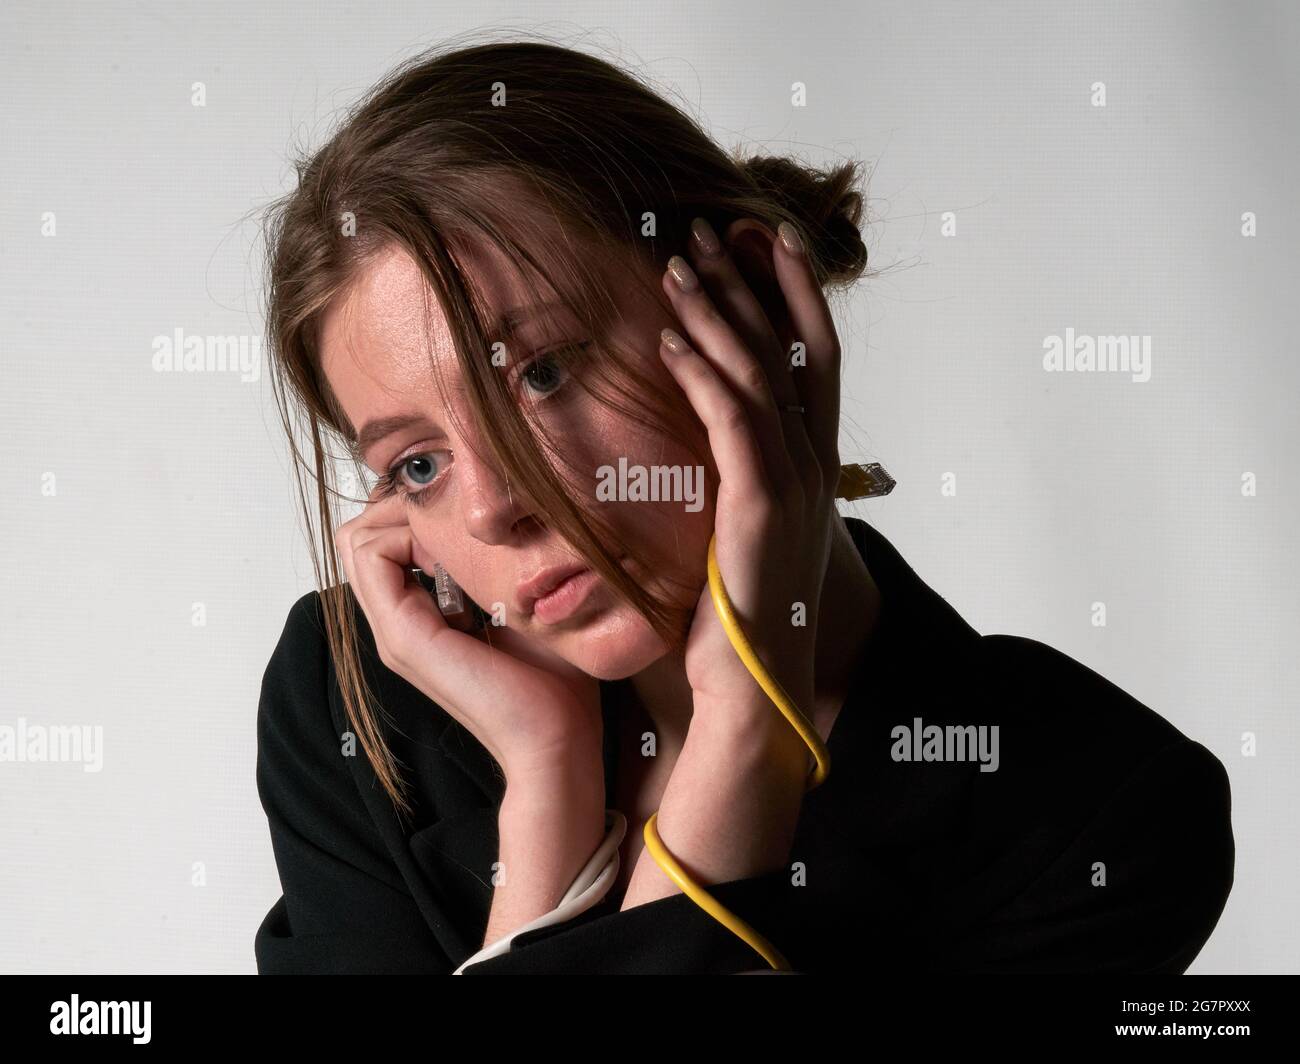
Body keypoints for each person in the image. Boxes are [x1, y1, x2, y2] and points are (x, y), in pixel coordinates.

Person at [252, 38, 1234, 974]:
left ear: (754, 302)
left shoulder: (1099, 812)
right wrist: (547, 785)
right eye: (419, 464)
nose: (495, 505)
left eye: (543, 371)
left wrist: (745, 729)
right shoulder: (357, 701)